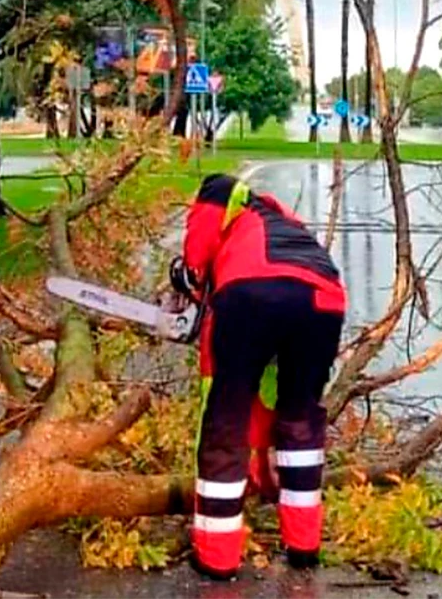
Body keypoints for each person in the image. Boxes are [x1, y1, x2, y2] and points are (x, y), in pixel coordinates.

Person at [170, 173, 345, 580]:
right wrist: (264, 468)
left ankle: (218, 556)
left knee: (225, 420)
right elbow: (268, 396)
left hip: (250, 294)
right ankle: (304, 546)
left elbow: (197, 251)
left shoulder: (219, 192)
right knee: (300, 420)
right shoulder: (287, 226)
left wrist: (193, 278)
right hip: (325, 297)